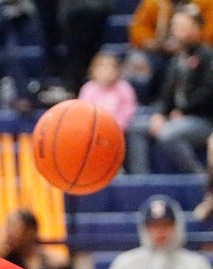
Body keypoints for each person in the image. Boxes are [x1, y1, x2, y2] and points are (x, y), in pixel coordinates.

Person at [126, 5, 213, 175]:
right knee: (136, 128)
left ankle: (199, 177)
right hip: (177, 116)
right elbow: (166, 94)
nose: (175, 30)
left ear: (195, 27)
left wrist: (183, 110)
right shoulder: (176, 58)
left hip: (204, 120)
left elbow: (209, 93)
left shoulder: (208, 57)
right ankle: (142, 179)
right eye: (174, 25)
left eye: (181, 25)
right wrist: (160, 113)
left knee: (169, 134)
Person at [125, 0, 213, 104]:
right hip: (157, 51)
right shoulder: (153, 3)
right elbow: (137, 29)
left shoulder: (206, 3)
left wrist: (187, 41)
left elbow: (208, 33)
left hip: (195, 51)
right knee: (139, 61)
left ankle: (185, 106)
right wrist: (152, 43)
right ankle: (143, 106)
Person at [78, 51, 138, 133]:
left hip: (119, 128)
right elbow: (83, 110)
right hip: (93, 127)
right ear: (94, 70)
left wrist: (117, 126)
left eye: (110, 68)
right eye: (102, 68)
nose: (107, 73)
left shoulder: (124, 87)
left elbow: (128, 109)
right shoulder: (88, 88)